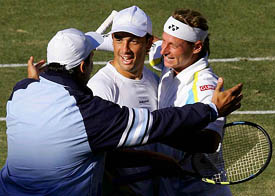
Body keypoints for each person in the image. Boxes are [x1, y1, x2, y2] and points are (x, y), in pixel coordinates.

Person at [0, 27, 242, 196]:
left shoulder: (21, 92)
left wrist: (153, 160)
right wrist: (211, 108)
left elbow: (95, 154)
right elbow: (156, 122)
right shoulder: (91, 115)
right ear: (84, 66)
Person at [148, 9, 233, 196]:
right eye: (165, 41)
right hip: (170, 184)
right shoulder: (174, 60)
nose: (164, 50)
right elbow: (149, 42)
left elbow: (210, 141)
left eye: (173, 45)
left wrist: (155, 130)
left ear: (196, 47)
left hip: (199, 189)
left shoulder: (206, 87)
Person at [87, 6, 161, 196]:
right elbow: (100, 157)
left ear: (148, 43)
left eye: (133, 40)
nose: (125, 49)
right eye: (118, 39)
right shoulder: (101, 88)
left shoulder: (156, 82)